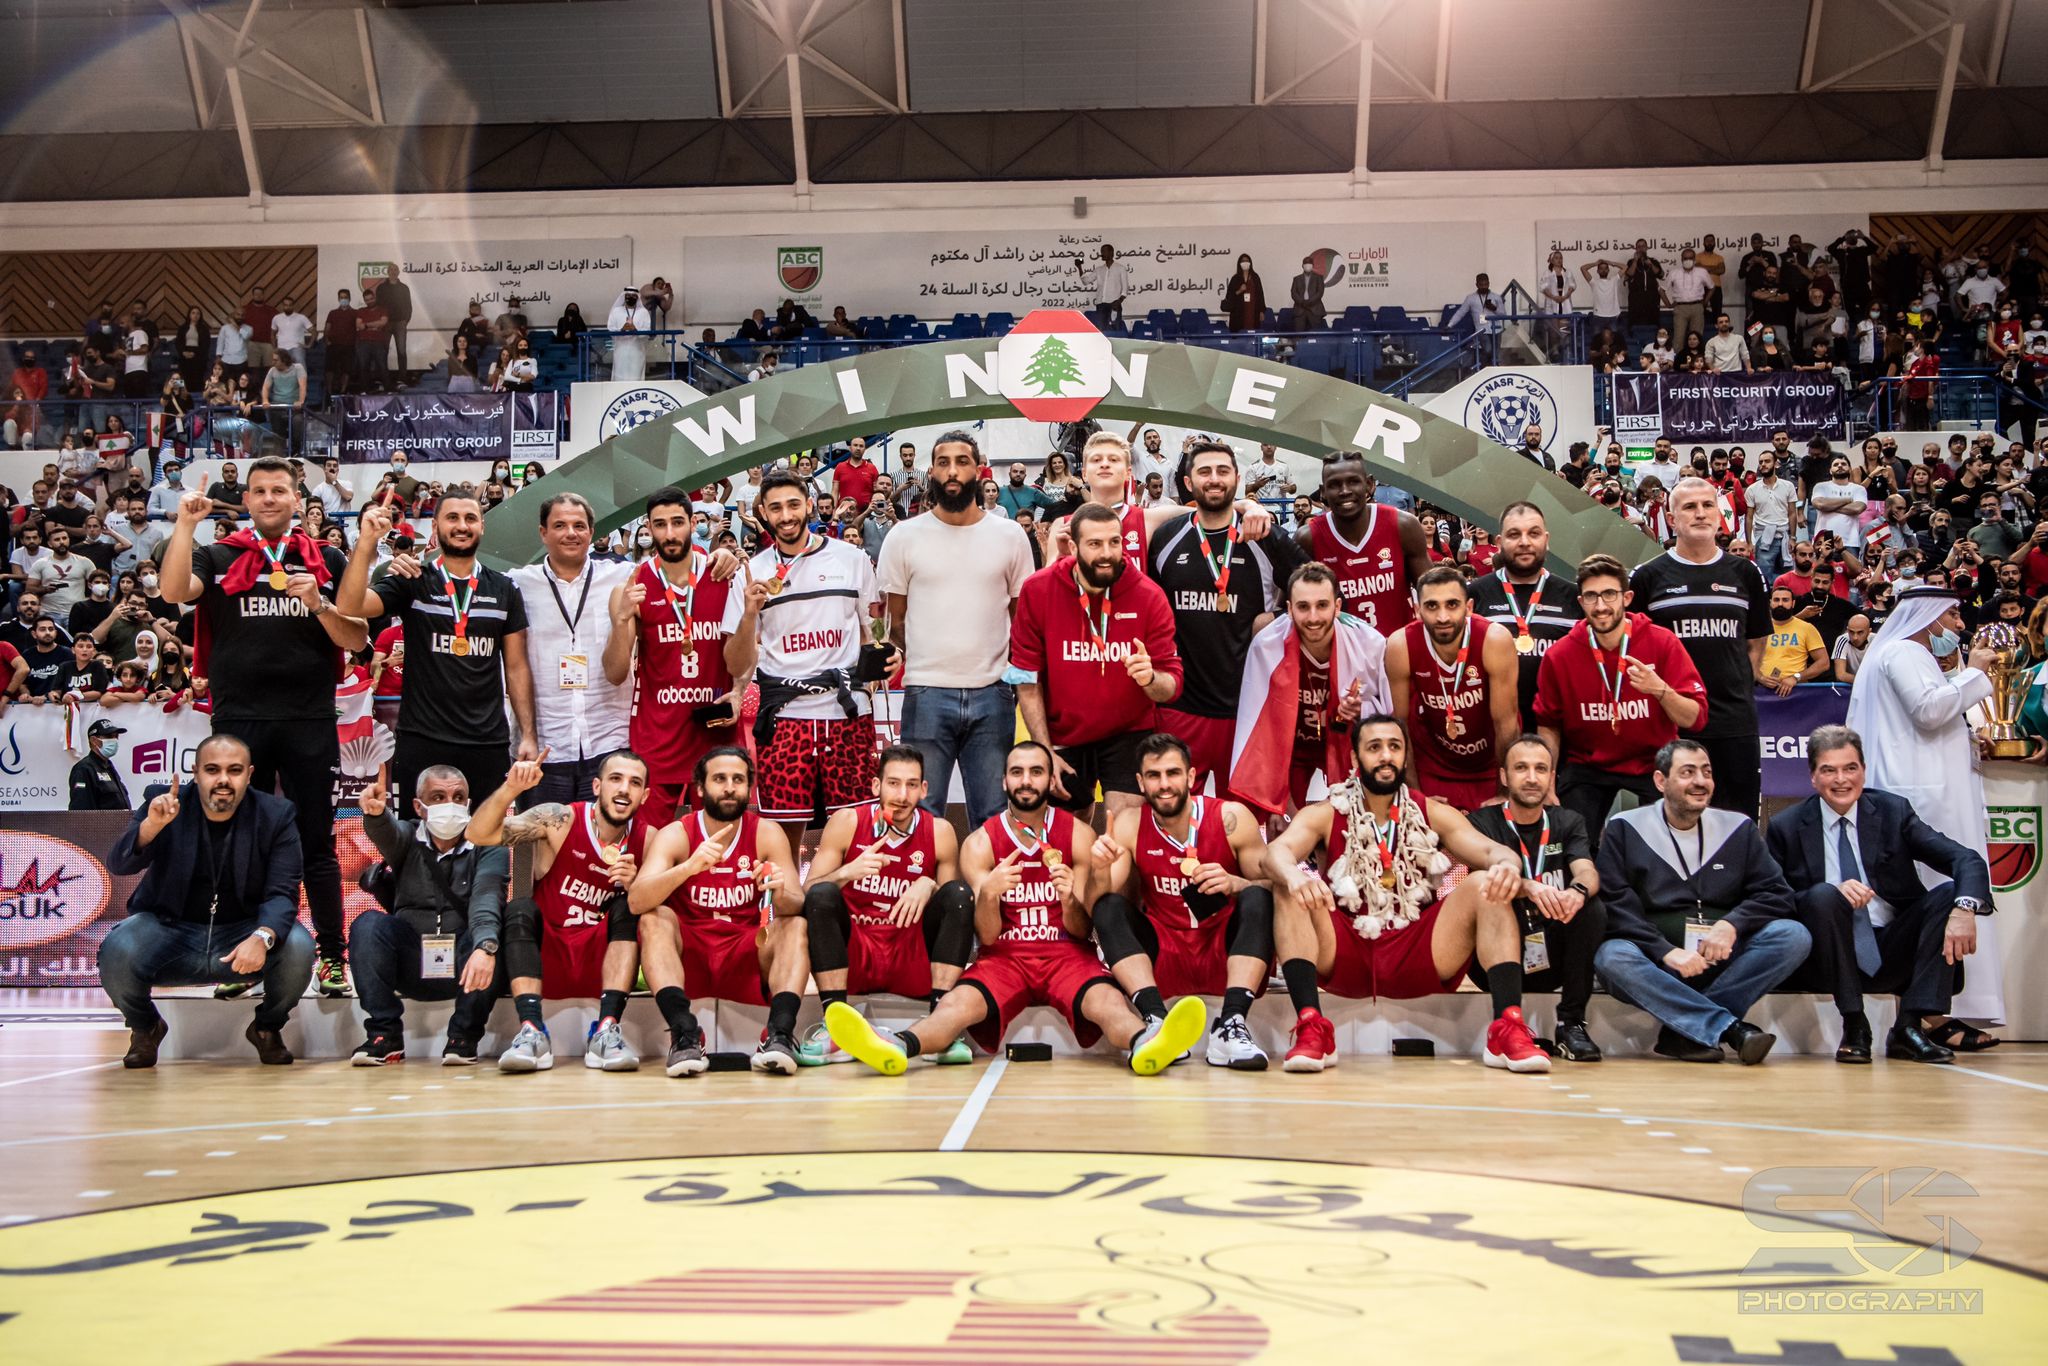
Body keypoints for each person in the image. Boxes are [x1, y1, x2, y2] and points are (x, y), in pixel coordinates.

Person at [821, 741, 1210, 1076]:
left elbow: (1079, 929)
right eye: (1018, 772)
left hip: (1065, 954)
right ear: (1004, 781)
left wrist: (1069, 897)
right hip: (1005, 957)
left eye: (1037, 772)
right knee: (955, 1006)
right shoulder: (980, 842)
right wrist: (989, 895)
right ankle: (896, 1045)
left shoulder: (1076, 834)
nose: (1027, 780)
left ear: (1049, 780)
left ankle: (1147, 1042)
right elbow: (987, 935)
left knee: (1107, 1004)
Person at [156, 456, 365, 997]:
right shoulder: (219, 553)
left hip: (308, 718)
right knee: (235, 841)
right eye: (260, 491)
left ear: (298, 499)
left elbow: (355, 640)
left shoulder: (329, 557)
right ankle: (238, 956)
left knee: (316, 841)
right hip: (238, 722)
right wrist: (184, 524)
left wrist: (318, 603)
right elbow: (174, 592)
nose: (270, 498)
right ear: (245, 500)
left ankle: (332, 957)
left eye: (280, 490)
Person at [1266, 715, 1551, 1075]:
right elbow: (1274, 853)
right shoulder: (1327, 812)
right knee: (1286, 887)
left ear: (1404, 756)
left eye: (1394, 747)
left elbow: (1493, 851)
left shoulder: (1432, 811)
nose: (1386, 756)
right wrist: (1295, 875)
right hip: (1344, 948)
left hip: (1419, 948)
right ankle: (1311, 1027)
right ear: (1355, 759)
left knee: (1485, 883)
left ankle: (1507, 1028)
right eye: (1374, 748)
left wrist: (1508, 866)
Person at [1766, 726, 1989, 1066]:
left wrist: (1965, 908)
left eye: (1850, 768)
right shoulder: (1786, 825)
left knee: (1948, 895)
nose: (1841, 779)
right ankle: (1855, 1025)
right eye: (1829, 770)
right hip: (1825, 957)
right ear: (1812, 777)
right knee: (1824, 896)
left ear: (1863, 771)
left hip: (1890, 949)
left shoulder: (1892, 812)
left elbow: (1965, 858)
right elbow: (1774, 901)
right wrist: (1828, 894)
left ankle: (1909, 1027)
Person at [100, 734, 315, 1068]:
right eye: (212, 770)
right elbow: (119, 864)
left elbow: (282, 892)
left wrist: (262, 936)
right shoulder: (164, 802)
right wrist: (151, 827)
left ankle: (267, 1027)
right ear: (196, 771)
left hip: (241, 933)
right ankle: (145, 1027)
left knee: (299, 946)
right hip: (169, 930)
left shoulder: (275, 814)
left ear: (249, 773)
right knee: (117, 948)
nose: (223, 780)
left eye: (234, 770)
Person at [1844, 585, 2005, 1028]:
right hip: (1926, 798)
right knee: (1940, 899)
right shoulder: (1904, 653)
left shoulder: (1897, 655)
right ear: (1929, 616)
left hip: (1920, 788)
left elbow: (1930, 721)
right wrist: (1973, 674)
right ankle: (1933, 1014)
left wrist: (1967, 733)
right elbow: (1928, 711)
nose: (1958, 625)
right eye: (1952, 615)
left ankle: (1932, 1011)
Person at [1592, 739, 1810, 1064]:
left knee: (1793, 936)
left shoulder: (1737, 828)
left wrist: (1732, 924)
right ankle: (1730, 1029)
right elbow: (1615, 905)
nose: (1700, 781)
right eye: (1688, 772)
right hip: (1658, 966)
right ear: (1660, 781)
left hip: (1721, 960)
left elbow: (1777, 893)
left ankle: (1684, 1032)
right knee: (1611, 957)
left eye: (1706, 772)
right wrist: (1665, 951)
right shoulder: (1626, 828)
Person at [1088, 733, 1283, 1069]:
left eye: (1173, 773)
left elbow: (1271, 885)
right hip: (1165, 953)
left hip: (1224, 950)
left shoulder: (1231, 818)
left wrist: (1235, 883)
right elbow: (1097, 902)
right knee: (1108, 907)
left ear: (1191, 777)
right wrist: (1100, 871)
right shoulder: (1129, 824)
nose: (1164, 784)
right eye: (1153, 776)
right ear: (1140, 782)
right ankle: (1157, 1024)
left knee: (1257, 897)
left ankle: (1232, 1025)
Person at [878, 430, 1034, 828]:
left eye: (961, 461)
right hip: (926, 691)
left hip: (994, 695)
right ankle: (921, 891)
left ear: (979, 471)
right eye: (943, 462)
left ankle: (990, 891)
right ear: (931, 471)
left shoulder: (1011, 536)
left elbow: (1022, 620)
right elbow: (895, 620)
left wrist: (1014, 681)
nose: (952, 471)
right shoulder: (903, 537)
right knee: (919, 816)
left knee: (995, 816)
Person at [466, 749, 655, 1073]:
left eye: (634, 782)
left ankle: (606, 1028)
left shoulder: (648, 838)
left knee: (629, 906)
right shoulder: (561, 819)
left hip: (603, 963)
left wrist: (636, 884)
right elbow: (477, 834)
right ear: (597, 786)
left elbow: (657, 908)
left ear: (645, 795)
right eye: (615, 779)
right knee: (520, 906)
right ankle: (532, 1031)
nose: (624, 788)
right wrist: (510, 790)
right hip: (546, 957)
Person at [340, 497, 538, 804]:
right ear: (435, 526)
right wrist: (367, 543)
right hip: (424, 740)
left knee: (485, 845)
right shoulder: (413, 581)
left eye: (470, 518)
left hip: (487, 742)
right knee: (419, 844)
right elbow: (350, 605)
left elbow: (516, 667)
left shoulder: (504, 589)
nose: (461, 526)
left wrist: (527, 733)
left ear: (482, 526)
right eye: (452, 518)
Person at [722, 468, 882, 847]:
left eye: (794, 504)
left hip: (847, 712)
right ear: (762, 513)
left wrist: (874, 676)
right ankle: (785, 907)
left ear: (810, 505)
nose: (786, 515)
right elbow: (735, 663)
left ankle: (850, 905)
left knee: (856, 830)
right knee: (781, 837)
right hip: (784, 716)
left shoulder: (852, 559)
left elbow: (873, 628)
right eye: (775, 508)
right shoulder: (752, 572)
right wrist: (748, 613)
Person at [629, 747, 809, 1075]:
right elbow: (636, 900)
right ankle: (684, 1033)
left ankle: (779, 1034)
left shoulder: (766, 832)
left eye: (738, 779)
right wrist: (688, 868)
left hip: (749, 945)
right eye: (720, 779)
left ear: (749, 788)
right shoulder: (677, 834)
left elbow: (797, 905)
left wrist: (777, 893)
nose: (729, 787)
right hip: (692, 949)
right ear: (700, 788)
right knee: (654, 918)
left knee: (794, 925)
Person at [795, 745, 976, 1066]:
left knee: (960, 895)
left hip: (911, 954)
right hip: (855, 956)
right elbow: (807, 893)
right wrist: (846, 872)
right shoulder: (848, 821)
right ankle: (836, 1027)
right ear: (876, 786)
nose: (902, 794)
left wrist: (929, 883)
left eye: (911, 785)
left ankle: (941, 1028)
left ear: (924, 789)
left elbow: (952, 905)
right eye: (893, 783)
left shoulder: (940, 831)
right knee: (822, 893)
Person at [1012, 501, 1183, 823]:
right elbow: (1026, 679)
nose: (1107, 553)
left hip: (1127, 731)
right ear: (1073, 546)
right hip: (1062, 733)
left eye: (1114, 542)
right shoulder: (1038, 590)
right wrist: (1044, 751)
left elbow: (1171, 687)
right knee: (1064, 834)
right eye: (1095, 544)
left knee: (1124, 832)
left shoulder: (1148, 595)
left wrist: (1150, 679)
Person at [1148, 440, 1303, 788]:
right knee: (1179, 816)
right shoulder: (1166, 538)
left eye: (1222, 471)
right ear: (1189, 483)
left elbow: (1321, 589)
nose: (1214, 479)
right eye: (1204, 472)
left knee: (1246, 823)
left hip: (1248, 706)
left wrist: (1278, 617)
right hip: (1181, 705)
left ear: (1236, 478)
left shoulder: (1264, 536)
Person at [1535, 554, 1707, 842]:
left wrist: (1660, 689)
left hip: (1653, 761)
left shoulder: (1661, 642)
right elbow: (1548, 723)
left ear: (1627, 597)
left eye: (1609, 595)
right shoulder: (1560, 655)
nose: (1601, 606)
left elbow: (1695, 718)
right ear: (1580, 602)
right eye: (1591, 596)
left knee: (1663, 848)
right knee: (1571, 844)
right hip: (1588, 766)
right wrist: (1548, 778)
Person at [348, 765, 509, 1066]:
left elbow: (487, 897)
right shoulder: (407, 837)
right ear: (419, 807)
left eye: (458, 797)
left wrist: (485, 946)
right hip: (412, 960)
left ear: (469, 804)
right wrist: (375, 814)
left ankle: (463, 1036)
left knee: (493, 931)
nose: (450, 805)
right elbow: (387, 832)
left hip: (465, 964)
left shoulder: (489, 844)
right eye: (438, 797)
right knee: (367, 925)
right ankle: (385, 1036)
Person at [1630, 477, 1771, 818]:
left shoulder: (1746, 572)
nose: (1700, 514)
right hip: (1670, 724)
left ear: (1719, 513)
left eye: (1708, 505)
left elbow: (1756, 642)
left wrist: (1740, 684)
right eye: (1689, 507)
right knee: (1668, 824)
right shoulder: (1647, 576)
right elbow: (1634, 648)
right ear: (1672, 516)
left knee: (1737, 822)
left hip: (1733, 722)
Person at [1465, 734, 1607, 1062]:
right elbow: (1469, 882)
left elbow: (1587, 871)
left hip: (1553, 953)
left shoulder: (1568, 821)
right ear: (1504, 776)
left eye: (1541, 769)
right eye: (1521, 768)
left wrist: (1577, 892)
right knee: (1491, 893)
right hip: (1494, 957)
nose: (1532, 778)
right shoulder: (1481, 822)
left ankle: (1572, 1025)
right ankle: (1509, 1024)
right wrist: (1527, 886)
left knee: (1592, 908)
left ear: (1552, 778)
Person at [605, 487, 737, 821]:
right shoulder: (632, 586)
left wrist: (741, 688)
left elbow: (746, 654)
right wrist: (622, 619)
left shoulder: (723, 574)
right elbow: (616, 672)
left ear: (693, 523)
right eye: (659, 524)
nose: (669, 533)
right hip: (657, 737)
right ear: (647, 529)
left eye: (677, 522)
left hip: (713, 733)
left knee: (718, 848)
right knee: (648, 850)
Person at [1229, 563, 1387, 816]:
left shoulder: (1369, 643)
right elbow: (1259, 729)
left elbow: (1387, 719)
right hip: (1290, 746)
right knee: (1281, 828)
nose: (1313, 617)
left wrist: (1362, 710)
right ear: (1289, 609)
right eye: (1303, 607)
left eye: (1322, 605)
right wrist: (1278, 808)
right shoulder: (1266, 646)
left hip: (1343, 741)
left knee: (1352, 823)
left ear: (1337, 607)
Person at [509, 491, 636, 805]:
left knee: (607, 849)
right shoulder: (517, 584)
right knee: (543, 849)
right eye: (560, 525)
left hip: (610, 741)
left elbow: (680, 571)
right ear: (543, 533)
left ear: (591, 532)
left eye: (579, 525)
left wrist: (719, 557)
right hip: (545, 745)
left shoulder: (623, 577)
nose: (570, 533)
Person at [1386, 566, 1520, 809]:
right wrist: (1414, 795)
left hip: (1491, 766)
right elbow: (1400, 723)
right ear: (1417, 611)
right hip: (1434, 764)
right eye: (1432, 606)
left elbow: (1506, 724)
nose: (1443, 617)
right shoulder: (1400, 645)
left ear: (1468, 608)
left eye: (1452, 604)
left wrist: (1505, 792)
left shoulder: (1494, 640)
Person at [1469, 502, 1581, 731]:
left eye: (1534, 533)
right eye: (1514, 534)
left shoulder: (1574, 597)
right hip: (1490, 731)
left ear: (1547, 540)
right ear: (1499, 543)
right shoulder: (1473, 595)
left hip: (1560, 730)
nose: (1524, 542)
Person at [1296, 452, 1430, 633]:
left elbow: (1435, 593)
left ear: (1369, 485)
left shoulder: (1403, 526)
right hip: (1339, 654)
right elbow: (1290, 608)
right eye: (1334, 485)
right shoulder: (1308, 538)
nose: (1345, 491)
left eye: (1353, 481)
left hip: (1397, 652)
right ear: (1323, 492)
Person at [67, 718, 130, 811]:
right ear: (93, 740)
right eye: (109, 736)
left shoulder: (108, 766)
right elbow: (80, 810)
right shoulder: (83, 769)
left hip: (121, 823)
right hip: (98, 824)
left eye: (116, 736)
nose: (114, 740)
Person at [1076, 244, 1130, 328]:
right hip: (1100, 306)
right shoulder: (1099, 269)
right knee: (1101, 331)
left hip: (1114, 305)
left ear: (1111, 252)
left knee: (1114, 330)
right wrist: (1079, 267)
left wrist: (1119, 301)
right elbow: (1086, 281)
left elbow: (1125, 289)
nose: (1102, 253)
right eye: (1101, 251)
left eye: (1104, 251)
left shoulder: (1120, 268)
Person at [1222, 254, 1264, 332]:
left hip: (1253, 310)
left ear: (1250, 263)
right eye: (1243, 261)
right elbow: (1229, 296)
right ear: (1239, 263)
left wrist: (1261, 311)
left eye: (1247, 261)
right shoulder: (1235, 278)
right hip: (1238, 312)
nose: (1245, 263)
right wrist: (1239, 291)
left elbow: (1260, 295)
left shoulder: (1255, 277)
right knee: (1239, 332)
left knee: (1253, 331)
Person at [1290, 255, 1327, 331]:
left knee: (1315, 335)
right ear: (1302, 266)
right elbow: (1293, 293)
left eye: (1310, 264)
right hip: (1300, 310)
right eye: (1306, 264)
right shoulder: (1297, 279)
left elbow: (1320, 292)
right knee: (1298, 335)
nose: (1308, 266)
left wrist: (1309, 302)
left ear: (1312, 266)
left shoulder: (1319, 278)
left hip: (1315, 309)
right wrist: (1302, 302)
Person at [1831, 613, 1873, 681]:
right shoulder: (1842, 640)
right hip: (1856, 685)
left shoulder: (1877, 640)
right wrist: (1866, 682)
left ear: (1869, 631)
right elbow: (1840, 675)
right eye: (1851, 632)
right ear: (1847, 630)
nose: (1855, 637)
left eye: (1860, 632)